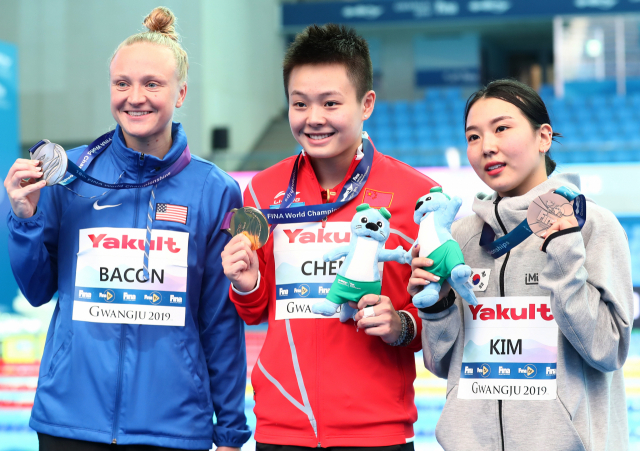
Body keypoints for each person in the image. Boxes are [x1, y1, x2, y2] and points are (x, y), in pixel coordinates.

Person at [4, 7, 250, 451]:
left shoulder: (214, 191)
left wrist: (231, 430)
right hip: (69, 422)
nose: (135, 97)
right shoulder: (71, 174)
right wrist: (23, 217)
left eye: (152, 84)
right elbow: (38, 290)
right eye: (122, 84)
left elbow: (218, 319)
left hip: (172, 428)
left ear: (180, 93)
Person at [221, 24, 439, 450]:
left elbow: (432, 320)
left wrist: (400, 324)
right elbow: (255, 311)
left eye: (331, 103)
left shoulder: (418, 194)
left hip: (377, 432)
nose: (313, 118)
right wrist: (246, 284)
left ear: (366, 104)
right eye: (299, 103)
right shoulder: (261, 191)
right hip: (281, 426)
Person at [408, 79, 633, 450]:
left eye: (501, 128)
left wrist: (563, 256)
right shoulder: (460, 236)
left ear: (543, 137)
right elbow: (439, 364)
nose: (487, 147)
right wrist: (437, 306)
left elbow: (607, 350)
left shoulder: (592, 225)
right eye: (473, 136)